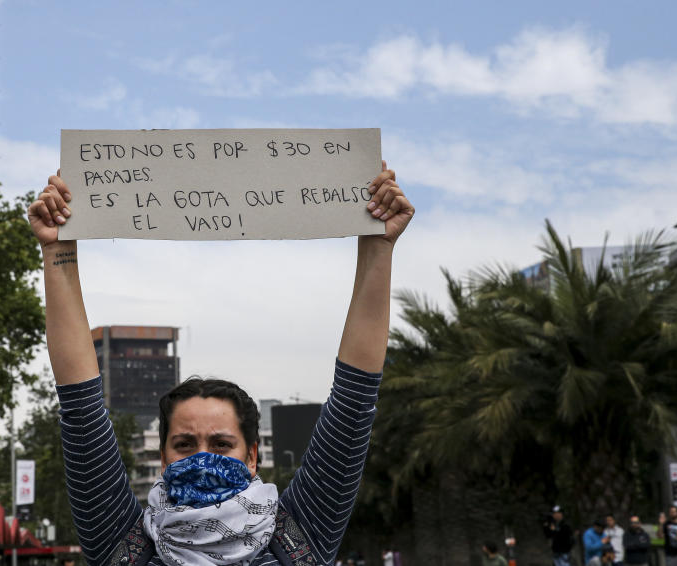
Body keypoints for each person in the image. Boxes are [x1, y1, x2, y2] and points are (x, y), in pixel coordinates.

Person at [28, 162, 414, 566]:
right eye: (184, 444)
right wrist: (58, 251)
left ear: (252, 456)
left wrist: (378, 246)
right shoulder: (125, 545)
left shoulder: (299, 535)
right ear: (162, 457)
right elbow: (82, 411)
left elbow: (353, 403)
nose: (202, 458)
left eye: (221, 444)